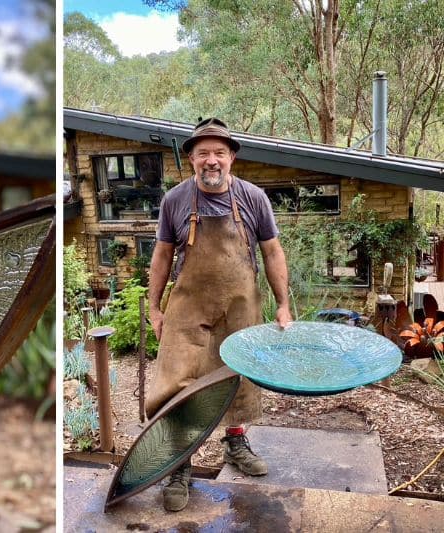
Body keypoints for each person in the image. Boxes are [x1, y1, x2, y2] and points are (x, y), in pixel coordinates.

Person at [146, 118, 292, 512]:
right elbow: (161, 256)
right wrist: (154, 307)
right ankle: (179, 463)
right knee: (177, 383)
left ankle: (235, 444)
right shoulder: (175, 200)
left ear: (231, 158)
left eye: (219, 153)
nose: (212, 161)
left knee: (238, 381)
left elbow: (273, 251)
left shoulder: (254, 198)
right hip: (187, 310)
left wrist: (282, 303)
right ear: (191, 159)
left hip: (239, 308)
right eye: (203, 153)